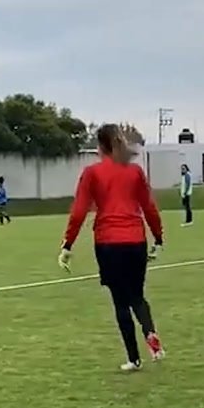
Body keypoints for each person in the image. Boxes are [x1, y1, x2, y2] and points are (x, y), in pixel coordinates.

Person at [59, 123, 166, 372]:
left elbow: (79, 211)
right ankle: (150, 332)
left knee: (120, 302)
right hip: (136, 240)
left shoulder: (92, 173)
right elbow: (149, 206)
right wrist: (158, 237)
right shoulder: (135, 172)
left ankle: (134, 358)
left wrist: (68, 244)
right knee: (137, 296)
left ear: (100, 147)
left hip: (109, 243)